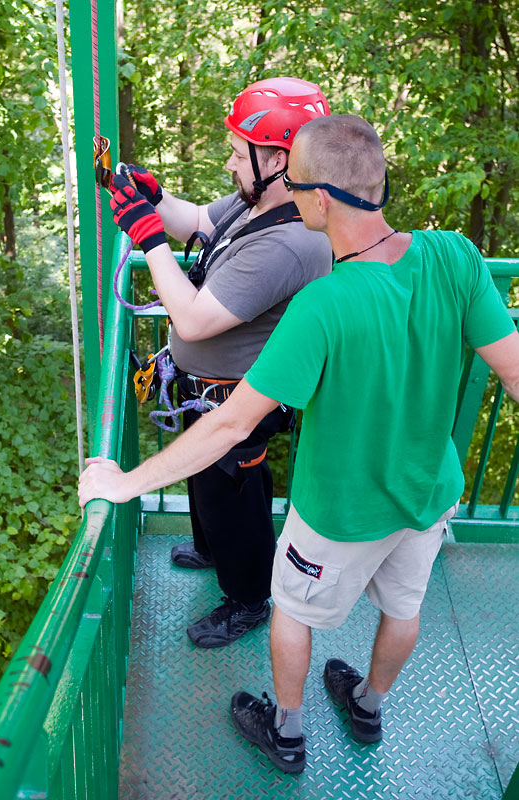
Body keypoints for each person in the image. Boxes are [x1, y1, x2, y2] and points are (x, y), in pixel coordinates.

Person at [80, 114, 519, 774]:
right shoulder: (454, 255)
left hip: (338, 511)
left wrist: (125, 483)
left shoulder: (323, 306)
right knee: (403, 609)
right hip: (430, 494)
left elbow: (230, 425)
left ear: (317, 199)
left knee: (290, 612)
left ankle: (285, 731)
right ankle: (367, 705)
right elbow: (514, 370)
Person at [108, 77, 333, 649]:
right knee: (210, 486)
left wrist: (149, 238)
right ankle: (212, 548)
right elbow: (200, 222)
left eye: (239, 153)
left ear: (278, 160)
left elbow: (191, 320)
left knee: (233, 494)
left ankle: (249, 599)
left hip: (237, 404)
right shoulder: (260, 201)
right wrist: (156, 200)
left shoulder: (292, 242)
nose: (230, 164)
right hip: (206, 391)